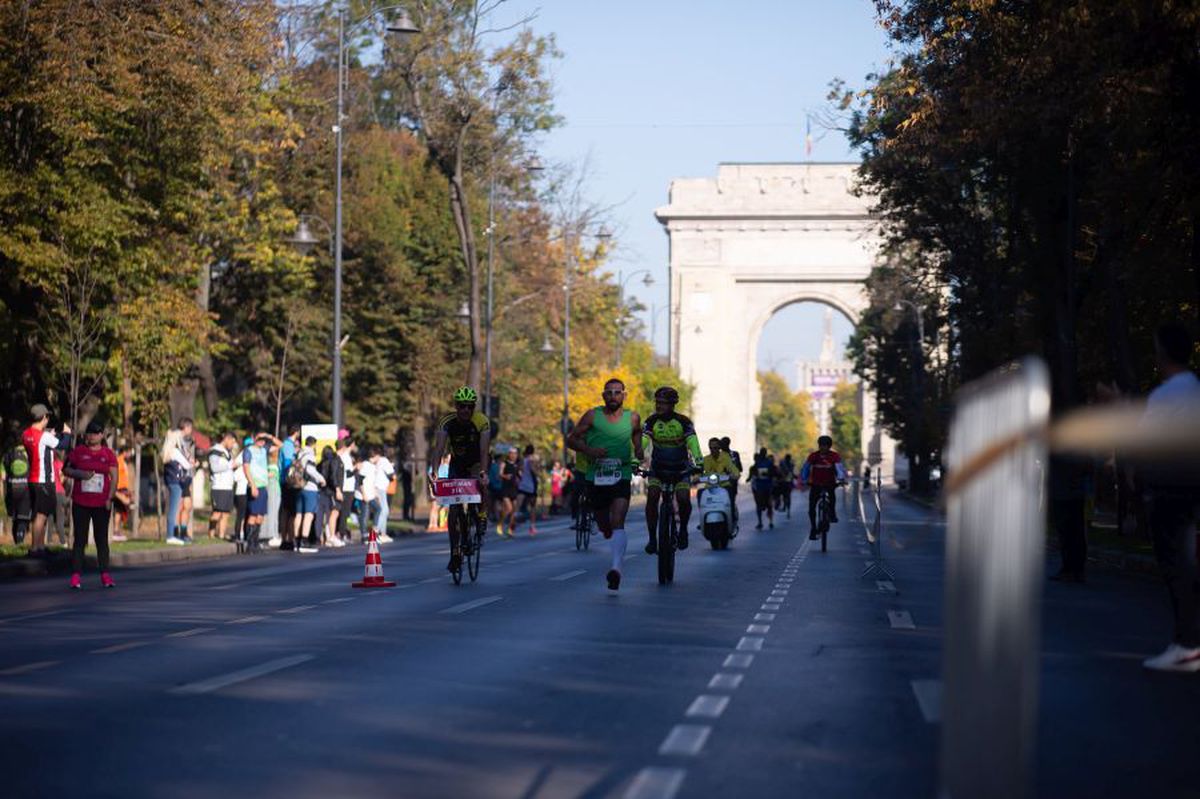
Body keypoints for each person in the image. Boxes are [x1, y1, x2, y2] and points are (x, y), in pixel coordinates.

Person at [1140, 322, 1200, 673]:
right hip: (1192, 486)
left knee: (1176, 565)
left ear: (1162, 352)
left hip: (1169, 486)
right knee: (1188, 562)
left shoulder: (1164, 396)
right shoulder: (1194, 388)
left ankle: (1186, 645)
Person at [567, 377, 644, 591]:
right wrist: (589, 451)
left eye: (617, 392)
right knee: (604, 524)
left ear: (624, 395)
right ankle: (607, 532)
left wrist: (638, 450)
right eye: (609, 392)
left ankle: (616, 569)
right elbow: (571, 439)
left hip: (621, 474)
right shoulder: (593, 415)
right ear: (603, 395)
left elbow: (638, 436)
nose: (613, 396)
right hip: (596, 476)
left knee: (618, 519)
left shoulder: (633, 418)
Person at [428, 386, 492, 573]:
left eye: (469, 407)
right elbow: (439, 448)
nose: (465, 410)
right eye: (462, 406)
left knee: (481, 483)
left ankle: (481, 514)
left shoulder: (481, 421)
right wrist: (435, 472)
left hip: (477, 462)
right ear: (456, 406)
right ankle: (455, 553)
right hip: (458, 463)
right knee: (454, 510)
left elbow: (483, 451)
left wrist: (484, 472)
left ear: (473, 407)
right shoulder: (446, 422)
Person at [642, 386, 703, 554]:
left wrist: (698, 461)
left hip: (680, 469)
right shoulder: (651, 421)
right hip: (658, 468)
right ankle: (653, 539)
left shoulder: (684, 422)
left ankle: (683, 529)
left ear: (672, 405)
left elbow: (693, 443)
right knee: (653, 496)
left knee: (683, 498)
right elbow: (643, 442)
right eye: (657, 402)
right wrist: (634, 460)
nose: (658, 406)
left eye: (663, 403)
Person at [62, 421, 118, 589]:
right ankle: (75, 576)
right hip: (81, 502)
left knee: (101, 540)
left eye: (95, 433)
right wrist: (80, 474)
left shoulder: (108, 454)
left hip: (101, 503)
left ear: (101, 435)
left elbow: (114, 477)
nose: (91, 436)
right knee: (80, 539)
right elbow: (66, 470)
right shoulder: (78, 452)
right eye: (89, 433)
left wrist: (110, 498)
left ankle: (105, 575)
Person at [21, 404, 72, 557]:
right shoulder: (43, 436)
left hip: (33, 479)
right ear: (44, 417)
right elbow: (63, 445)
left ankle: (40, 547)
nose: (48, 420)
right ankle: (35, 549)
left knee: (39, 514)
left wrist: (52, 434)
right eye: (47, 417)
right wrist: (67, 433)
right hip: (44, 480)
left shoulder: (26, 434)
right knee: (41, 515)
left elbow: (42, 445)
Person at [800, 436, 846, 540]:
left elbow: (839, 469)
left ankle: (832, 514)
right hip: (815, 484)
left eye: (825, 446)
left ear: (829, 446)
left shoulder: (834, 456)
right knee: (811, 507)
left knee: (832, 496)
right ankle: (813, 528)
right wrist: (804, 479)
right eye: (821, 445)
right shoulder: (813, 456)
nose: (823, 448)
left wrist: (841, 479)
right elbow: (806, 468)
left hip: (829, 483)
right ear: (819, 445)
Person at [242, 433, 281, 553]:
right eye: (259, 440)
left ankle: (255, 541)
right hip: (255, 485)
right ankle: (249, 543)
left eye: (263, 440)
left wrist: (268, 436)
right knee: (253, 515)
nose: (261, 442)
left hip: (264, 486)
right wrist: (252, 485)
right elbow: (246, 467)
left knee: (260, 516)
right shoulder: (248, 451)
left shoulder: (264, 450)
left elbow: (280, 445)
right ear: (254, 439)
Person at [161, 418, 195, 545]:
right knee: (174, 509)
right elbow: (187, 465)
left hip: (171, 481)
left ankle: (171, 535)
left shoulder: (169, 453)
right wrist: (193, 463)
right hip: (176, 482)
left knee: (174, 508)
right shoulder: (175, 451)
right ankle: (170, 536)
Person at [292, 436, 326, 552]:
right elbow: (311, 470)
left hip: (298, 486)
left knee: (299, 514)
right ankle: (304, 541)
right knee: (309, 514)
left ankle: (296, 540)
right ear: (313, 444)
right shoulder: (310, 455)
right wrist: (321, 479)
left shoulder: (299, 454)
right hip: (310, 487)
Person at [702, 436, 742, 528]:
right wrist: (695, 478)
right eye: (711, 448)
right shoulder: (705, 459)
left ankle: (731, 519)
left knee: (730, 498)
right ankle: (703, 519)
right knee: (700, 494)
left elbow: (733, 468)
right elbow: (699, 472)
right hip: (709, 487)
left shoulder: (726, 457)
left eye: (715, 448)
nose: (713, 450)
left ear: (719, 448)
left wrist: (735, 474)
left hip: (724, 486)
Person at [4, 428, 32, 545]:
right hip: (25, 489)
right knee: (23, 518)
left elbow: (4, 472)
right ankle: (19, 542)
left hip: (11, 489)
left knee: (15, 518)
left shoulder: (8, 454)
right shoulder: (29, 452)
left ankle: (16, 542)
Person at [207, 432, 238, 541]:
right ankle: (210, 535)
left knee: (226, 513)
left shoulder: (227, 453)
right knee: (217, 512)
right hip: (218, 487)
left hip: (228, 487)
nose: (233, 445)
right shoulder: (215, 450)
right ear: (226, 439)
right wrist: (230, 465)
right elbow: (214, 468)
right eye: (232, 442)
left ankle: (221, 536)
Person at [277, 426, 300, 551]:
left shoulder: (288, 445)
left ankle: (288, 539)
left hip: (286, 481)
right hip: (288, 482)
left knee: (289, 511)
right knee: (289, 511)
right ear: (296, 432)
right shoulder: (288, 445)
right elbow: (287, 464)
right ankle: (287, 539)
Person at [317, 445, 344, 547]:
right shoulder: (335, 460)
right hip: (332, 491)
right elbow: (333, 476)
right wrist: (337, 489)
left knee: (326, 515)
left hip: (324, 491)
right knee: (335, 512)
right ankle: (332, 536)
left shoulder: (321, 464)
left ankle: (328, 537)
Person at [748, 448, 779, 530]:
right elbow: (752, 471)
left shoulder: (768, 463)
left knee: (768, 505)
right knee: (761, 505)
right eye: (762, 452)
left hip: (766, 486)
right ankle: (762, 522)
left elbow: (774, 472)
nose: (762, 454)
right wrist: (750, 477)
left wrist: (772, 475)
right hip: (760, 486)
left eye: (763, 452)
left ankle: (768, 522)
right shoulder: (758, 463)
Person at [514, 444, 539, 536]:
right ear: (533, 451)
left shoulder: (522, 460)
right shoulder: (532, 460)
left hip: (523, 485)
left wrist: (521, 478)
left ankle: (512, 525)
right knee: (532, 506)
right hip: (532, 486)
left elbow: (517, 470)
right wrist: (537, 473)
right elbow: (534, 471)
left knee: (518, 505)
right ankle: (532, 527)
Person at [372, 448, 395, 542]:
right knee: (384, 510)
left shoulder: (378, 463)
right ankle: (378, 533)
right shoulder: (384, 461)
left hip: (378, 488)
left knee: (383, 510)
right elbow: (391, 474)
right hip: (380, 488)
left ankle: (382, 533)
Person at [336, 437, 357, 541]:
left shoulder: (346, 456)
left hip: (347, 487)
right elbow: (348, 473)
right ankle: (342, 534)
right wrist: (356, 467)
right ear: (352, 444)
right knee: (345, 512)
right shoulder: (346, 457)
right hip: (347, 487)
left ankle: (341, 532)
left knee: (344, 512)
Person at [232, 437, 250, 546]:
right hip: (241, 491)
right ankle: (238, 535)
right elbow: (235, 475)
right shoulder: (240, 466)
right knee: (241, 515)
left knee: (247, 514)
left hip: (247, 490)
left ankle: (245, 534)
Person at [499, 446, 520, 537]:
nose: (514, 455)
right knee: (509, 509)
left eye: (515, 454)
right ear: (509, 454)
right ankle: (500, 523)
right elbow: (500, 474)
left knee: (514, 511)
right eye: (512, 453)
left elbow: (519, 475)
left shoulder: (516, 464)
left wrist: (520, 478)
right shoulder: (504, 463)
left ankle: (510, 530)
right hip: (506, 489)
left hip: (514, 489)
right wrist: (505, 476)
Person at [720, 436, 743, 507]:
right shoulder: (717, 455)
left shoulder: (735, 454)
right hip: (719, 481)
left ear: (728, 444)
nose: (721, 446)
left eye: (723, 444)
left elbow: (740, 468)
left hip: (731, 481)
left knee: (731, 501)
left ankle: (732, 515)